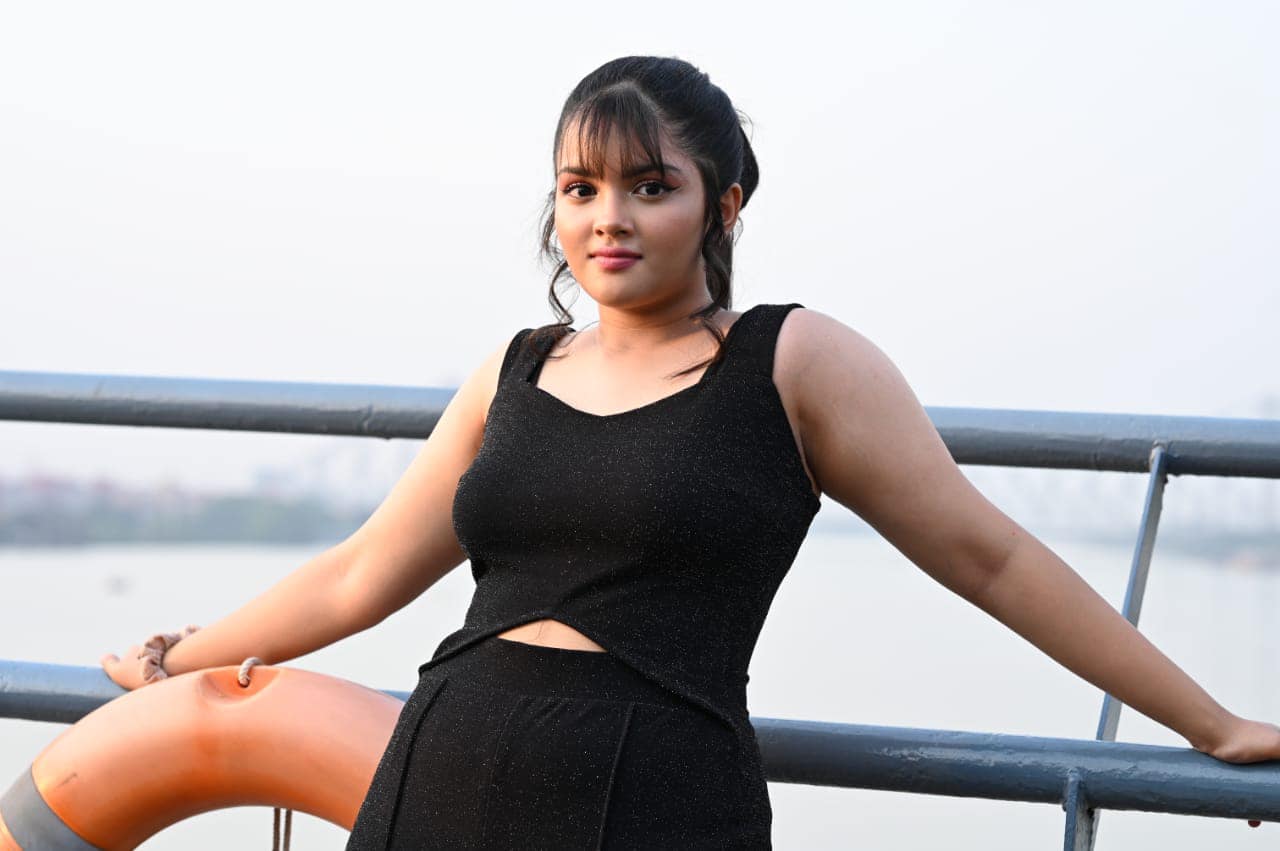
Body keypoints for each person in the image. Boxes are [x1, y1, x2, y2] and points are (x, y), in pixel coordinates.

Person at [101, 55, 1280, 849]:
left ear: (723, 204)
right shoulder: (514, 366)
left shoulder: (794, 360)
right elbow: (361, 570)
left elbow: (990, 557)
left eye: (648, 186)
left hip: (656, 800)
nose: (606, 217)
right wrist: (175, 654)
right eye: (578, 188)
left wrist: (1209, 723)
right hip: (441, 776)